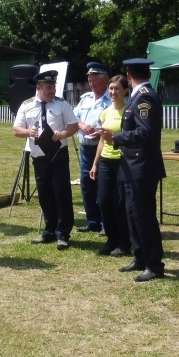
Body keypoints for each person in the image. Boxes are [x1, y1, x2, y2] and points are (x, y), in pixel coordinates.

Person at [99, 58, 167, 282]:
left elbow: (146, 132)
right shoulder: (137, 96)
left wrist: (117, 137)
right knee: (131, 215)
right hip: (131, 166)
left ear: (128, 76)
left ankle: (154, 264)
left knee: (144, 217)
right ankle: (140, 256)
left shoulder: (145, 96)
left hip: (142, 167)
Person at [13, 70, 80, 250]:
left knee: (61, 193)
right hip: (39, 156)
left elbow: (74, 125)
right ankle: (49, 231)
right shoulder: (26, 105)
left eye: (53, 87)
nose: (52, 90)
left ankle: (63, 234)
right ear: (39, 88)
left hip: (58, 155)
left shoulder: (61, 104)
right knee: (45, 194)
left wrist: (63, 133)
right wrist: (28, 132)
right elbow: (16, 129)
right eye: (49, 87)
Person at [89, 74, 131, 258]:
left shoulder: (128, 112)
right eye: (111, 88)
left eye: (117, 89)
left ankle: (124, 243)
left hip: (122, 161)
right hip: (106, 161)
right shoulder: (105, 112)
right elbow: (102, 140)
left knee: (120, 203)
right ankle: (111, 239)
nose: (113, 92)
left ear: (125, 91)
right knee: (103, 200)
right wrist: (95, 164)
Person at [73, 61, 112, 233]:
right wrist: (82, 125)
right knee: (87, 185)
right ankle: (92, 220)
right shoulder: (86, 98)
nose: (91, 84)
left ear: (105, 80)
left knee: (104, 186)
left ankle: (106, 223)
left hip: (103, 148)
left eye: (95, 81)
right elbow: (74, 117)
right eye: (90, 81)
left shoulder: (111, 99)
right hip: (86, 149)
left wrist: (100, 133)